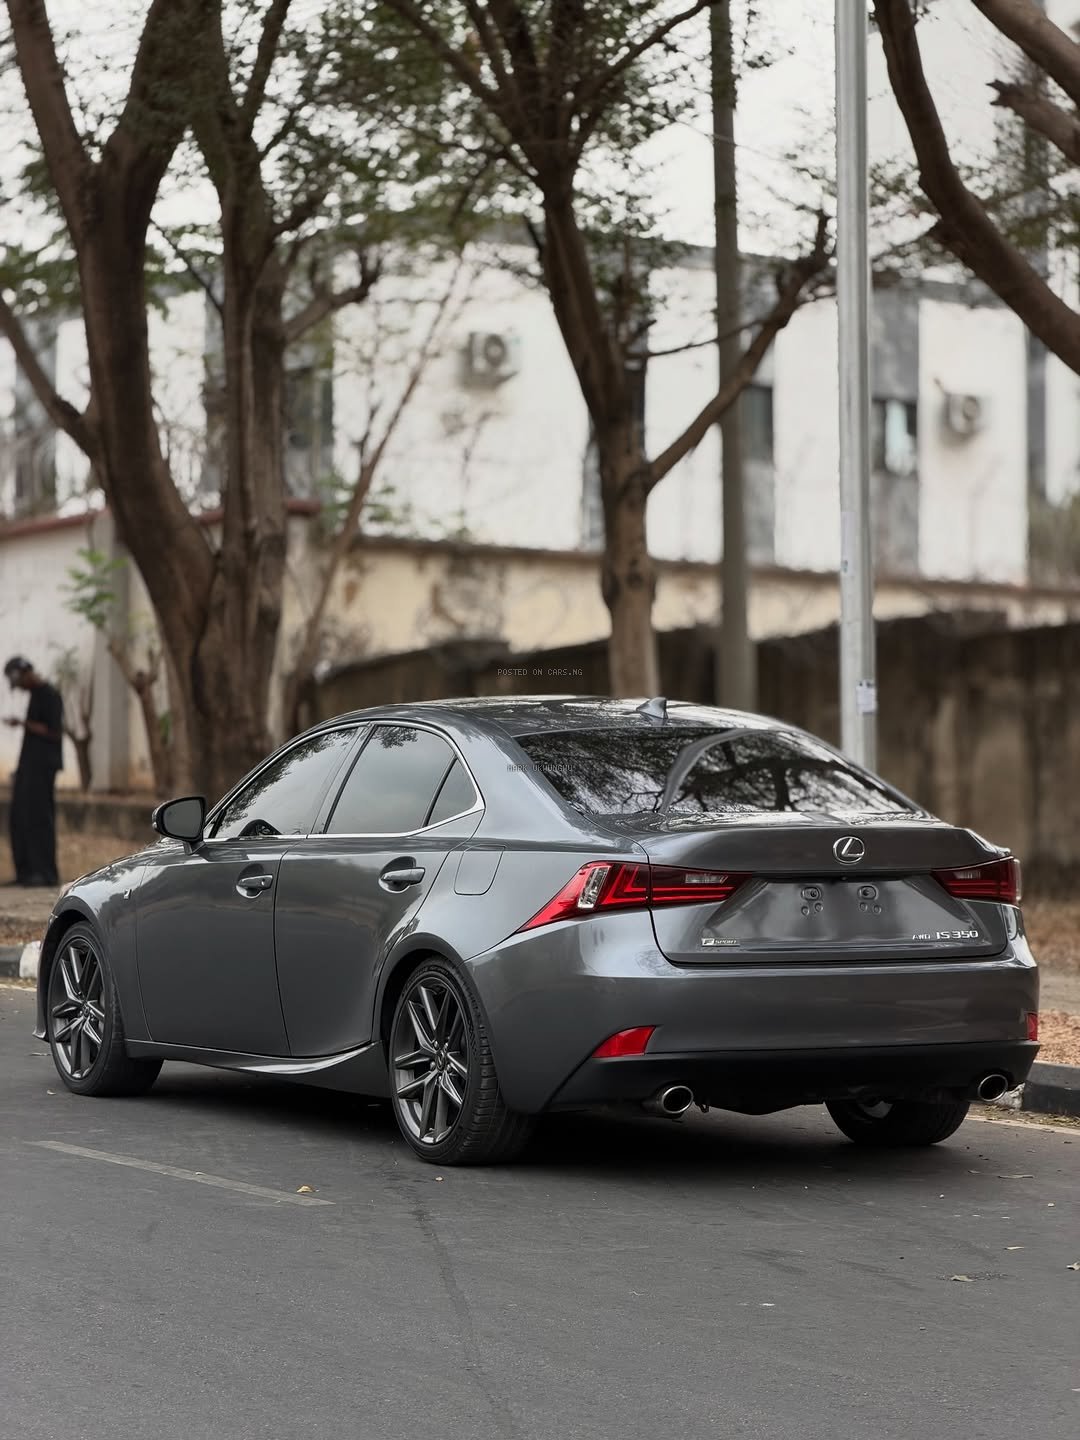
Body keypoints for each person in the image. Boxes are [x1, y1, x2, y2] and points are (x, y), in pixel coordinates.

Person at [4, 656, 64, 888]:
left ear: (25, 674)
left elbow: (54, 732)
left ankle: (45, 873)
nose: (19, 688)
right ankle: (26, 872)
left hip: (43, 766)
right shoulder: (35, 695)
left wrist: (23, 723)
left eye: (19, 682)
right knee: (20, 817)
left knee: (40, 818)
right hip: (28, 767)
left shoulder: (50, 695)